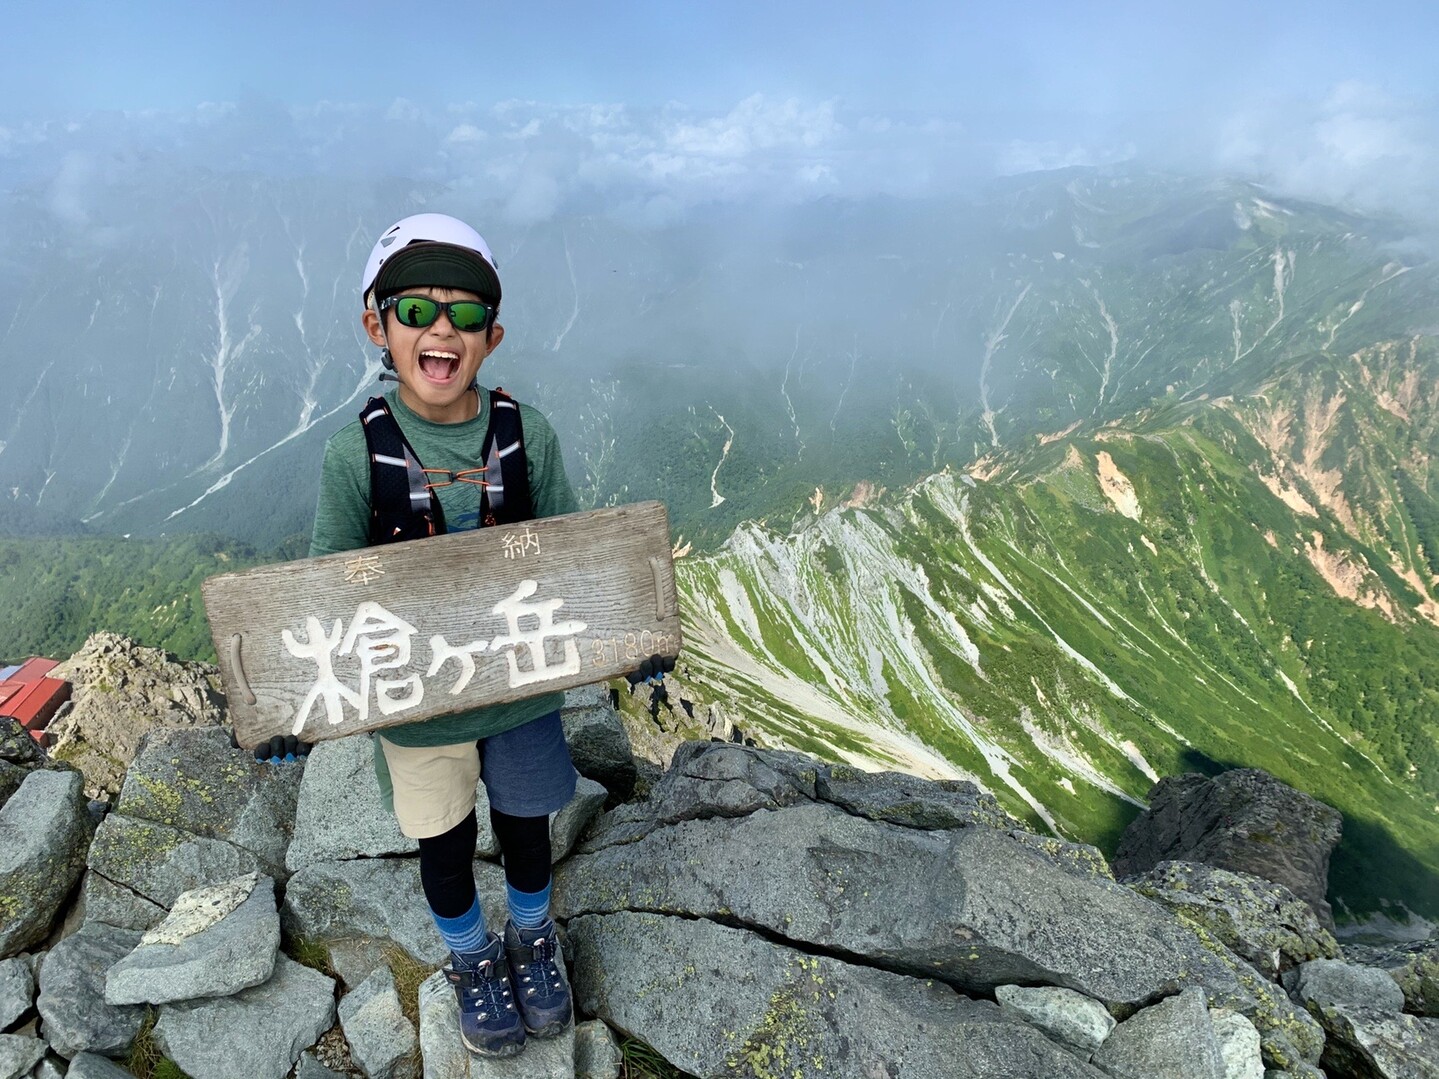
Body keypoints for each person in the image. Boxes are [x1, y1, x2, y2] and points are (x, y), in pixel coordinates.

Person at [308, 212, 577, 1059]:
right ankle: (471, 957)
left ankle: (531, 938)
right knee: (446, 839)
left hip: (521, 687)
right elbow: (322, 590)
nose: (440, 331)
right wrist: (293, 705)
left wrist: (632, 642)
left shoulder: (529, 435)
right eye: (414, 310)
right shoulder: (355, 456)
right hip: (418, 709)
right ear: (375, 326)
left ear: (491, 336)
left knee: (528, 822)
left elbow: (578, 554)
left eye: (463, 316)